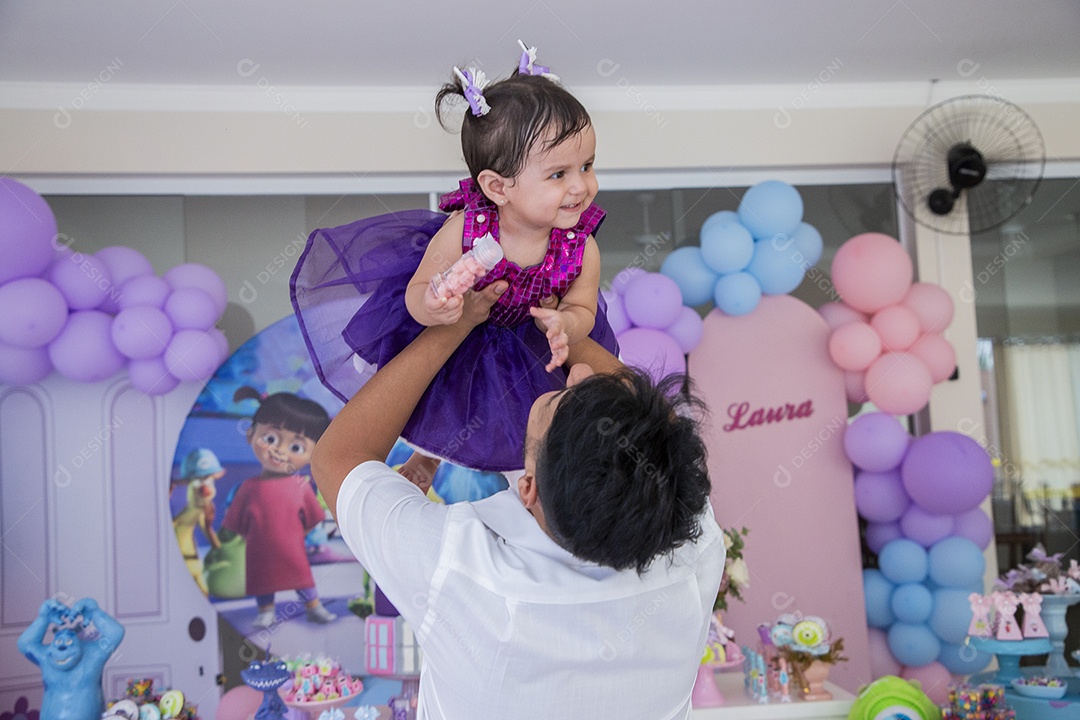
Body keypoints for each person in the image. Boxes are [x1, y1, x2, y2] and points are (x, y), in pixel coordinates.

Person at [311, 283, 725, 719]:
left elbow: (338, 458)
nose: (580, 372)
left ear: (528, 489)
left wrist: (454, 325)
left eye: (563, 398)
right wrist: (566, 325)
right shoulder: (691, 550)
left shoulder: (462, 571)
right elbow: (664, 434)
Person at [291, 42, 619, 479]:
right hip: (467, 332)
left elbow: (583, 308)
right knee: (444, 393)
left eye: (588, 165)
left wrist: (566, 327)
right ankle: (426, 457)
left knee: (534, 414)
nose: (581, 186)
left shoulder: (581, 245)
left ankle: (536, 488)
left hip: (529, 339)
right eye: (559, 174)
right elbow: (417, 289)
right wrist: (433, 305)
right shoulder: (467, 229)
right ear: (499, 187)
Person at [222, 388, 337, 629]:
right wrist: (252, 539)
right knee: (262, 580)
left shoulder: (300, 486)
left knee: (303, 578)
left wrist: (295, 538)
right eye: (271, 439)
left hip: (293, 549)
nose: (279, 451)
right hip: (258, 551)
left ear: (312, 454)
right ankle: (265, 610)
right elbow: (236, 523)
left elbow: (313, 518)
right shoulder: (248, 488)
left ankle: (313, 607)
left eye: (296, 447)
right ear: (250, 434)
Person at [19, 597, 125, 720]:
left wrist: (94, 612)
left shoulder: (93, 654)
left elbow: (115, 633)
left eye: (69, 640)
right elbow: (24, 644)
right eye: (58, 640)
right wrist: (43, 618)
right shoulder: (46, 657)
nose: (62, 647)